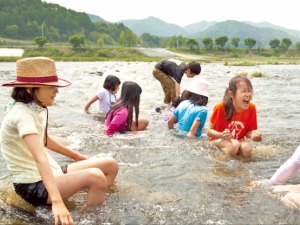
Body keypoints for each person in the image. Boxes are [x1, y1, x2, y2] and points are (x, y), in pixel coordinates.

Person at [0, 57, 119, 225]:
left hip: (51, 172)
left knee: (109, 164)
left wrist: (78, 156)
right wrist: (57, 202)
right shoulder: (21, 115)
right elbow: (39, 158)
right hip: (32, 184)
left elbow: (45, 140)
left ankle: (91, 201)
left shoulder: (37, 108)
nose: (56, 91)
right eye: (51, 87)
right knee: (96, 176)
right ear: (29, 88)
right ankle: (91, 219)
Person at [207, 75, 262, 158]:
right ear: (231, 94)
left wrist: (253, 135)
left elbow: (248, 132)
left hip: (238, 140)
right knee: (234, 145)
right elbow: (209, 132)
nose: (248, 94)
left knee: (246, 149)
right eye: (243, 91)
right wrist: (222, 135)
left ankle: (240, 169)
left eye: (250, 91)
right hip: (219, 141)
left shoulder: (251, 108)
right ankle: (221, 164)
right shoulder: (221, 107)